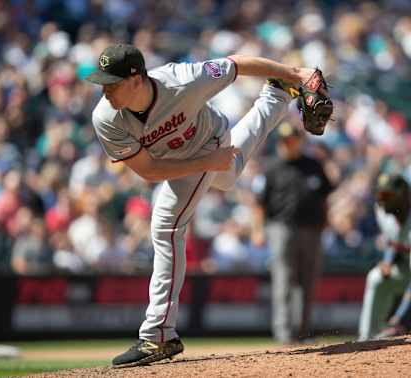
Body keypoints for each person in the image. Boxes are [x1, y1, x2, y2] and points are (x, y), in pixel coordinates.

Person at [87, 43, 324, 367]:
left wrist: (295, 72)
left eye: (112, 82)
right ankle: (277, 95)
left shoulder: (182, 79)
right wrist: (212, 163)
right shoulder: (105, 117)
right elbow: (149, 171)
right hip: (186, 158)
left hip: (208, 139)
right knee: (227, 175)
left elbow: (235, 64)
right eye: (102, 82)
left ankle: (158, 334)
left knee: (166, 226)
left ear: (137, 79)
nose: (105, 89)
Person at [257, 123, 333, 343]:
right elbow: (259, 203)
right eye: (284, 140)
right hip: (281, 228)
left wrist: (325, 222)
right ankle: (284, 333)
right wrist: (259, 230)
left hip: (312, 229)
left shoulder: (313, 165)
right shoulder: (271, 167)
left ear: (299, 141)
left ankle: (302, 331)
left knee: (308, 281)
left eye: (291, 139)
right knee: (283, 279)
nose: (287, 144)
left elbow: (325, 196)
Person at [358, 173, 411, 341]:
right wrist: (387, 261)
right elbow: (394, 240)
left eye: (386, 195)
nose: (381, 200)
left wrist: (400, 316)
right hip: (406, 268)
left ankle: (397, 324)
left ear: (402, 196)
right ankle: (368, 337)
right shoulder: (384, 213)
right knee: (376, 277)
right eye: (379, 194)